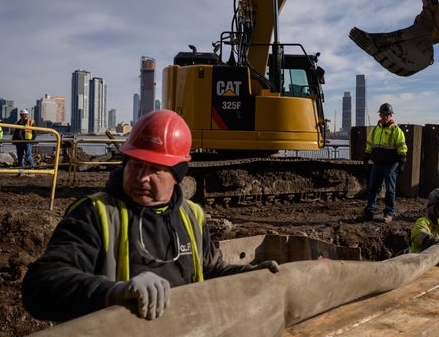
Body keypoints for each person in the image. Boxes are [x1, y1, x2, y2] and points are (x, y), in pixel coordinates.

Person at [22, 109, 280, 322]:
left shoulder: (192, 215)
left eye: (155, 169)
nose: (141, 177)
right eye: (135, 165)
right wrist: (114, 292)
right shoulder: (95, 214)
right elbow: (41, 285)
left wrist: (249, 275)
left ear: (177, 175)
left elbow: (209, 269)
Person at [362, 103, 408, 222]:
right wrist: (366, 157)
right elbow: (369, 145)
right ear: (380, 114)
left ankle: (388, 213)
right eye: (383, 114)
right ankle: (369, 212)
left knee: (390, 190)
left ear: (391, 115)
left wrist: (402, 163)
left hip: (391, 164)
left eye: (388, 114)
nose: (385, 116)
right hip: (377, 164)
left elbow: (402, 148)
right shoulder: (375, 130)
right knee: (373, 189)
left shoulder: (396, 131)